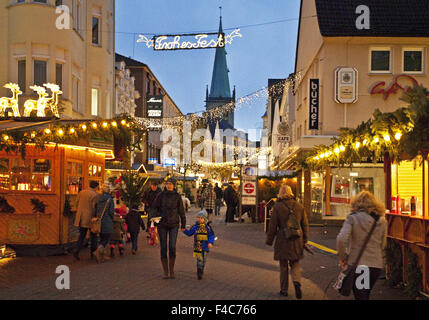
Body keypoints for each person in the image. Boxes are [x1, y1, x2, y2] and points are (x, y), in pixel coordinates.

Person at [336, 191, 387, 300]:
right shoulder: (382, 220)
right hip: (376, 265)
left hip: (359, 265)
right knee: (365, 294)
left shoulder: (352, 218)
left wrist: (343, 257)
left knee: (360, 296)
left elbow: (341, 239)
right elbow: (383, 244)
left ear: (356, 203)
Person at [266, 185, 309, 299]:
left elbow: (273, 226)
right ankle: (297, 282)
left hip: (283, 239)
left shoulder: (278, 207)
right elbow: (304, 224)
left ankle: (284, 290)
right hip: (297, 239)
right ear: (291, 193)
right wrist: (305, 240)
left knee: (283, 266)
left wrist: (269, 240)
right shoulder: (299, 206)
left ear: (280, 193)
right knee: (295, 263)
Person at [150, 178, 186, 279]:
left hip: (174, 224)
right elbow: (154, 207)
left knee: (172, 246)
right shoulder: (161, 195)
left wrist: (183, 224)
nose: (169, 185)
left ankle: (172, 270)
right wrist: (153, 216)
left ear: (174, 185)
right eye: (167, 184)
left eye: (170, 184)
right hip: (162, 224)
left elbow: (181, 211)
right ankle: (165, 271)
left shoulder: (177, 196)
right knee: (163, 247)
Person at [183, 210, 215, 280]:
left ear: (205, 219)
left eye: (201, 218)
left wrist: (210, 242)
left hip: (206, 246)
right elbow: (190, 233)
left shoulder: (208, 228)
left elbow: (211, 236)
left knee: (204, 260)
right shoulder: (195, 227)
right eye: (198, 217)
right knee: (199, 260)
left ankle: (201, 269)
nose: (199, 219)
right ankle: (199, 272)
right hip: (197, 245)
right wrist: (184, 230)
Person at [73, 180, 100, 260]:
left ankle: (77, 251)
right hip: (89, 218)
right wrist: (95, 217)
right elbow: (94, 208)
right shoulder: (95, 195)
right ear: (96, 186)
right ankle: (93, 252)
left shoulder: (81, 192)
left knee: (81, 235)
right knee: (93, 236)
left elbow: (76, 202)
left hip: (81, 217)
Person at [93, 182, 115, 264]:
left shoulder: (97, 198)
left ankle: (101, 256)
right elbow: (111, 212)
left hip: (98, 221)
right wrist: (112, 218)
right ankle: (98, 251)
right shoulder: (110, 199)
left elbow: (94, 209)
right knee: (106, 238)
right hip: (107, 221)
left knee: (101, 238)